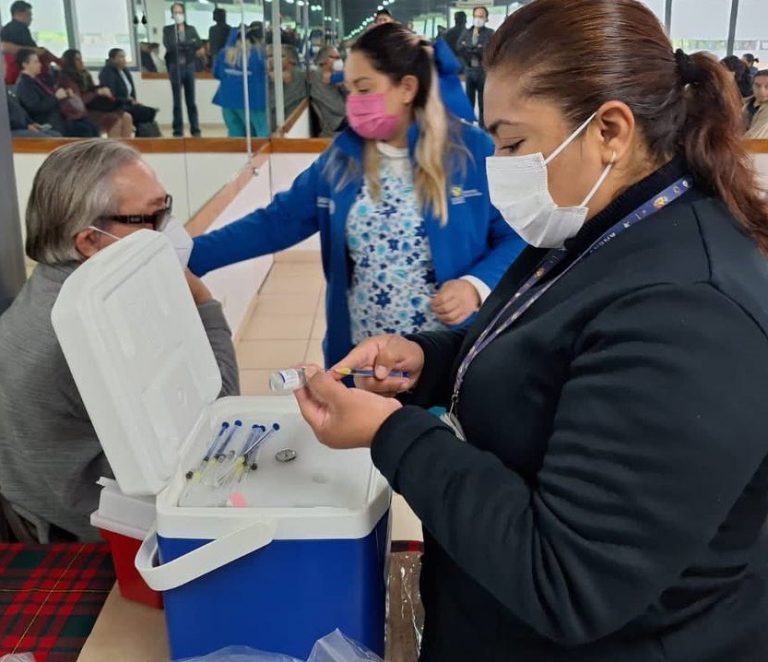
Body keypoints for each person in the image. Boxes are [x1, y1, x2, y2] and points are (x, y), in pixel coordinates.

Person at [292, 1, 768, 660]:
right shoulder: (597, 226)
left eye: (514, 143)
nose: (501, 167)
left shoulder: (691, 311)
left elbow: (568, 581)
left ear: (609, 129)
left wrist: (392, 433)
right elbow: (535, 345)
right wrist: (425, 361)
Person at [190, 24, 525, 368]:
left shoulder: (471, 152)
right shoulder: (343, 158)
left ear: (407, 87)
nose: (353, 102)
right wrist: (188, 256)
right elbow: (276, 222)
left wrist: (475, 286)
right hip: (364, 359)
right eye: (348, 90)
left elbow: (518, 236)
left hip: (444, 357)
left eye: (364, 89)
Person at [0, 140, 240, 542]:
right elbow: (212, 425)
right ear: (89, 241)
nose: (167, 227)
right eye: (151, 216)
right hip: (86, 534)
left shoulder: (56, 287)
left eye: (166, 207)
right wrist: (202, 301)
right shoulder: (87, 330)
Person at [14, 49, 99, 137]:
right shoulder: (25, 85)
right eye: (36, 62)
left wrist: (63, 94)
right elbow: (36, 107)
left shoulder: (36, 80)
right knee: (86, 130)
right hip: (48, 121)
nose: (40, 65)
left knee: (91, 127)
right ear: (25, 65)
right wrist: (56, 97)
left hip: (59, 118)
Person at [59, 49, 134, 138]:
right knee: (115, 120)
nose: (81, 62)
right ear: (70, 62)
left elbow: (91, 89)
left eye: (81, 59)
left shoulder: (84, 74)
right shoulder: (66, 78)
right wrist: (97, 92)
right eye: (77, 60)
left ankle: (126, 147)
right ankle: (114, 149)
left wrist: (101, 89)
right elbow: (79, 100)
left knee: (127, 117)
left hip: (94, 107)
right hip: (82, 112)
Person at [212, 28, 268, 138]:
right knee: (262, 132)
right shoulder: (259, 55)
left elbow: (216, 73)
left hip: (227, 100)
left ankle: (234, 155)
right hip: (253, 100)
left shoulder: (225, 54)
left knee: (235, 134)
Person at [164, 2, 202, 137]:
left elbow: (198, 43)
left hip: (189, 66)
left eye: (180, 12)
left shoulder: (191, 29)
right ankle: (178, 129)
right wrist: (188, 44)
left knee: (191, 100)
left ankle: (195, 128)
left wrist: (186, 45)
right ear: (172, 15)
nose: (178, 15)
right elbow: (170, 46)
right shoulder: (168, 30)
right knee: (177, 100)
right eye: (176, 13)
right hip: (175, 67)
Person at [99, 48, 158, 130]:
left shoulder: (125, 71)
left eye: (124, 57)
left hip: (127, 103)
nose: (124, 59)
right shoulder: (108, 72)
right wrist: (128, 100)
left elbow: (131, 91)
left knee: (149, 111)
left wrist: (134, 101)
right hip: (117, 105)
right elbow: (112, 95)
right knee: (145, 113)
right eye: (121, 57)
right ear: (113, 59)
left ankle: (143, 135)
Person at [1, 1, 58, 84]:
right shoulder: (20, 29)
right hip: (22, 70)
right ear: (19, 13)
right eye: (29, 14)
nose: (31, 18)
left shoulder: (6, 29)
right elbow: (34, 51)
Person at [457, 5, 494, 126]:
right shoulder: (467, 32)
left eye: (481, 16)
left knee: (483, 102)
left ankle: (483, 128)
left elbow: (489, 50)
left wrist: (471, 48)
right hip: (469, 70)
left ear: (486, 18)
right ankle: (469, 126)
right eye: (476, 16)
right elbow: (459, 47)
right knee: (468, 101)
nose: (478, 19)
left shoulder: (490, 33)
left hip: (482, 71)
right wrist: (474, 49)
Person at [308, 45, 346, 137]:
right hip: (337, 122)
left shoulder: (333, 76)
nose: (338, 61)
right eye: (335, 58)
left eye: (339, 58)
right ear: (323, 59)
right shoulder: (318, 76)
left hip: (342, 118)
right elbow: (339, 109)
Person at [267, 44, 307, 128]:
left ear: (292, 60)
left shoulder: (300, 76)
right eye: (269, 56)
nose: (273, 59)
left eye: (281, 56)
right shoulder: (267, 79)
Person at [745, 70, 768, 138]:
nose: (761, 91)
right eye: (757, 86)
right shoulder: (749, 102)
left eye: (767, 86)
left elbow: (751, 138)